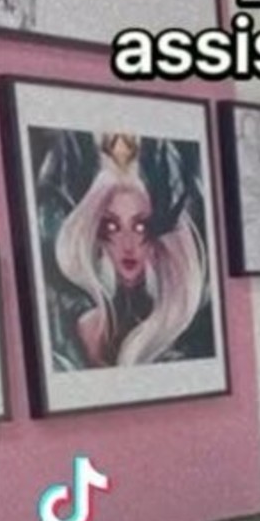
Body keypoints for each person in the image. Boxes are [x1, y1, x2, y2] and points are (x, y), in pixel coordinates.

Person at [54, 135, 207, 368]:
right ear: (97, 237)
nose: (127, 244)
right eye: (112, 227)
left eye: (140, 227)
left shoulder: (178, 331)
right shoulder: (82, 328)